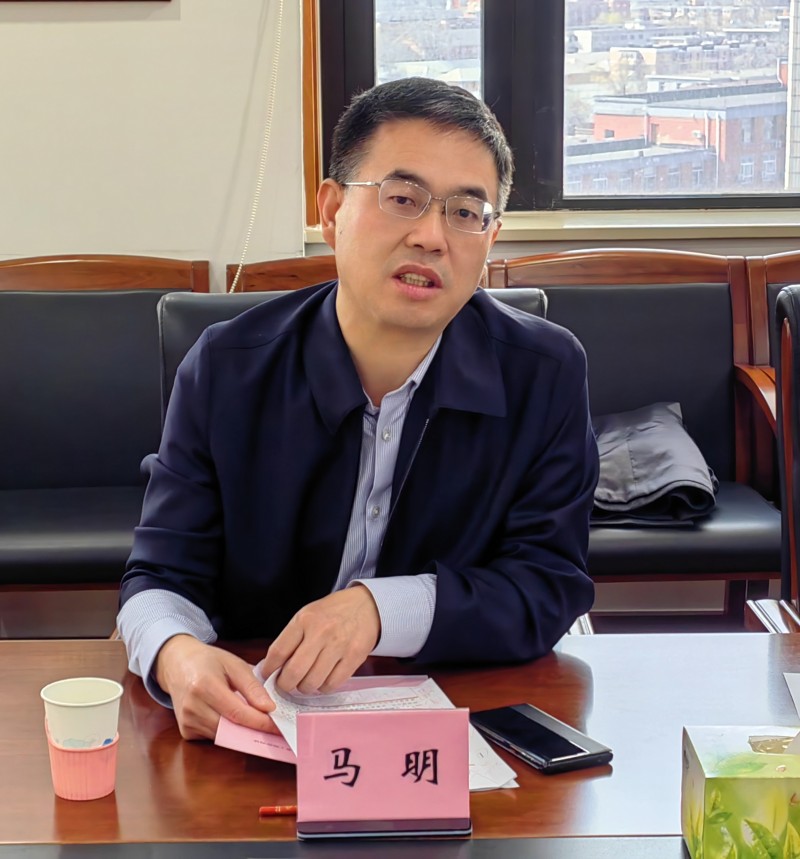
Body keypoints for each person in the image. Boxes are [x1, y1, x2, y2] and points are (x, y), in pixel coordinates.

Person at [118, 76, 599, 741]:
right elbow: (159, 576)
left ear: (491, 239)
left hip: (460, 713)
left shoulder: (543, 371)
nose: (432, 236)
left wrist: (379, 610)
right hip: (256, 722)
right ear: (331, 210)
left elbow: (548, 584)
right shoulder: (227, 366)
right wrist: (177, 656)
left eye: (466, 212)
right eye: (402, 199)